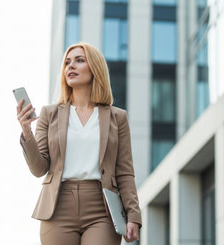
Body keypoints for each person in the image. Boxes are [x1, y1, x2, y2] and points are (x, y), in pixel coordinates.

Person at [16, 42, 141, 244]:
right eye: (67, 62)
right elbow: (39, 169)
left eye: (79, 60)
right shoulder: (50, 114)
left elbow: (124, 172)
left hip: (102, 209)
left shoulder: (117, 118)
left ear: (95, 68)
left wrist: (133, 215)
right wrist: (27, 132)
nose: (70, 66)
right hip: (57, 207)